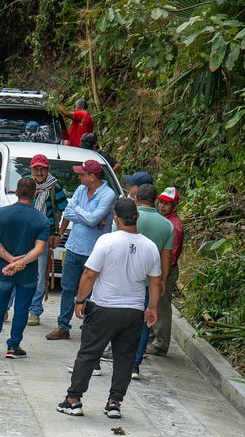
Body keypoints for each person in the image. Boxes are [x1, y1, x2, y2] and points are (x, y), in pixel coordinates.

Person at [56, 198, 163, 418]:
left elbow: (89, 273)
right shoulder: (150, 247)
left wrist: (79, 299)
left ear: (115, 218)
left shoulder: (107, 241)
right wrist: (152, 307)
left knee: (88, 354)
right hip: (133, 311)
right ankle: (114, 403)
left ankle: (73, 400)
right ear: (137, 217)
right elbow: (155, 282)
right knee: (124, 359)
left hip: (104, 307)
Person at [47, 159, 116, 341]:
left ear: (92, 177)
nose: (78, 176)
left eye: (82, 174)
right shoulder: (81, 189)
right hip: (73, 246)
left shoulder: (108, 195)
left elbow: (92, 219)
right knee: (68, 288)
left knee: (91, 292)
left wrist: (80, 213)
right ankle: (63, 326)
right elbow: (68, 212)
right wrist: (87, 216)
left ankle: (89, 328)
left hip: (93, 251)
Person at [0, 178, 49, 359]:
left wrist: (10, 260)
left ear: (16, 193)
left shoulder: (1, 214)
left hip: (4, 270)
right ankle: (13, 346)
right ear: (35, 195)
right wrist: (19, 263)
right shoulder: (41, 219)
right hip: (27, 273)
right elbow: (39, 249)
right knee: (22, 309)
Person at [129, 184, 173, 378]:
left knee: (120, 317)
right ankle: (135, 364)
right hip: (149, 282)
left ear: (136, 198)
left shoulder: (126, 216)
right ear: (155, 201)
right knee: (146, 320)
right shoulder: (166, 225)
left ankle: (115, 355)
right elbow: (166, 257)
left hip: (126, 279)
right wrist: (162, 280)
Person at [26, 154, 68, 327]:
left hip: (44, 235)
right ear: (32, 169)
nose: (40, 172)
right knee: (17, 269)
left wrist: (58, 235)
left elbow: (66, 211)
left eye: (43, 168)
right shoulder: (27, 184)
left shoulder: (55, 187)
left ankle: (35, 311)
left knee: (40, 274)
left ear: (48, 169)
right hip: (26, 232)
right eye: (36, 168)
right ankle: (7, 306)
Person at [148, 186, 184, 357]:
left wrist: (162, 277)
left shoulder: (173, 226)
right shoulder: (164, 222)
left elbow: (170, 256)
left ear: (174, 206)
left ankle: (161, 344)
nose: (162, 206)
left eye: (167, 204)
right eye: (161, 202)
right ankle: (153, 337)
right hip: (160, 268)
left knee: (162, 306)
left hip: (166, 270)